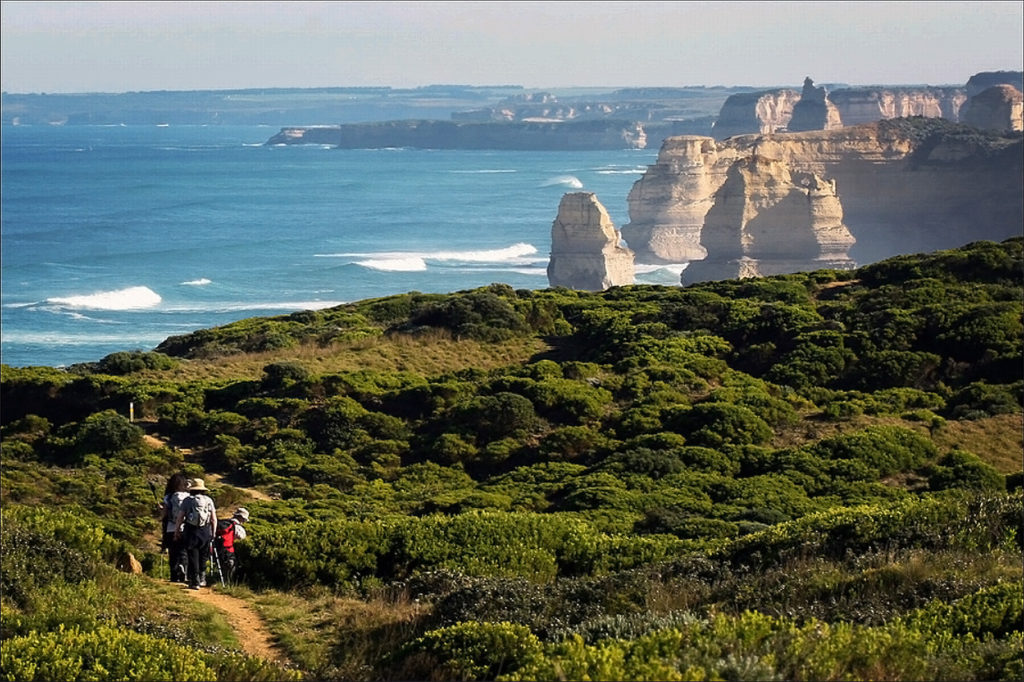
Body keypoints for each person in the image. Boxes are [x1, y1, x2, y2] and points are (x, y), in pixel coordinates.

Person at [174, 478, 217, 590]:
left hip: (191, 530)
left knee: (193, 556)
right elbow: (213, 519)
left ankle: (195, 581)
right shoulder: (208, 500)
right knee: (203, 555)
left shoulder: (187, 500)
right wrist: (213, 532)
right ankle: (202, 579)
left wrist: (177, 531)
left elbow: (180, 517)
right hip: (205, 530)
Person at [158, 473, 190, 582]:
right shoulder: (188, 496)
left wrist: (161, 510)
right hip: (186, 527)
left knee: (173, 552)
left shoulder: (169, 497)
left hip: (171, 527)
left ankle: (174, 576)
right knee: (184, 551)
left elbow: (165, 514)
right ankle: (184, 571)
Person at [214, 507, 249, 583]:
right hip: (228, 550)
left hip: (216, 548)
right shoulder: (237, 527)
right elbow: (242, 537)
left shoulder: (224, 522)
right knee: (231, 566)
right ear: (241, 518)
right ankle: (227, 582)